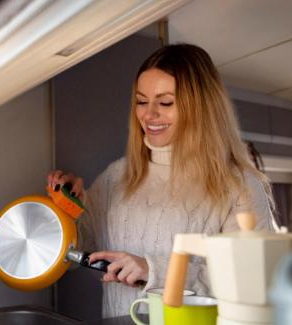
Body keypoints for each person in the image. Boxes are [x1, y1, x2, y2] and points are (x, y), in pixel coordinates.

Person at [47, 43, 275, 318]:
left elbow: (254, 281)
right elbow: (74, 255)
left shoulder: (239, 185)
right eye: (142, 101)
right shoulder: (115, 177)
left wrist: (154, 270)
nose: (148, 114)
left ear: (200, 107)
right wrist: (65, 214)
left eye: (165, 102)